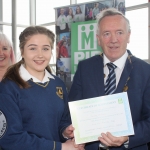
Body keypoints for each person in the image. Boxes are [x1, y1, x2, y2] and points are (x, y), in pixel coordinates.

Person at [69, 8, 150, 150]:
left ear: (128, 36)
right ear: (98, 38)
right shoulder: (84, 68)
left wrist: (128, 137)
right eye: (106, 34)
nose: (113, 39)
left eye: (119, 32)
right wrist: (68, 129)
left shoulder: (146, 71)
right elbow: (72, 111)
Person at [0, 26, 84, 150]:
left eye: (45, 48)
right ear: (22, 51)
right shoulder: (8, 88)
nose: (40, 55)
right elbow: (11, 138)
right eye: (33, 48)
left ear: (52, 51)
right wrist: (60, 147)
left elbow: (63, 120)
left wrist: (65, 131)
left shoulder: (58, 84)